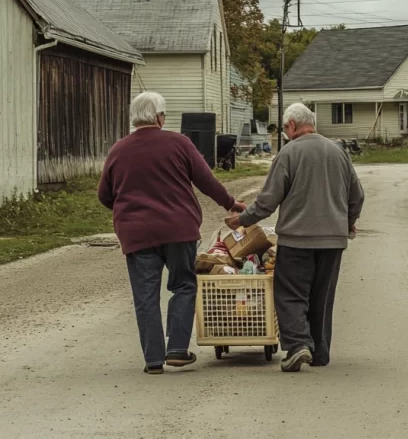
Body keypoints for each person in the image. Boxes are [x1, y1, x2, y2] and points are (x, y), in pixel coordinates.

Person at [99, 92, 245, 374]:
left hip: (137, 234)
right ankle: (177, 348)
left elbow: (105, 195)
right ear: (159, 117)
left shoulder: (118, 150)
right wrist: (232, 204)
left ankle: (153, 360)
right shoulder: (180, 143)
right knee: (184, 285)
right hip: (179, 230)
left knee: (145, 296)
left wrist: (127, 211)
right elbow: (207, 182)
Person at [226, 102, 364, 372]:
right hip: (333, 241)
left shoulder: (289, 153)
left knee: (290, 293)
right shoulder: (338, 152)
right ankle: (320, 352)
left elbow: (267, 201)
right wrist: (348, 222)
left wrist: (241, 220)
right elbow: (356, 196)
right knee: (322, 295)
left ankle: (298, 345)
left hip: (297, 239)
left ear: (291, 126)